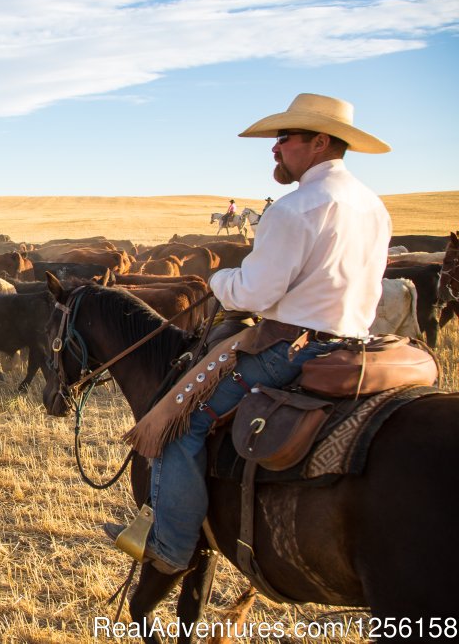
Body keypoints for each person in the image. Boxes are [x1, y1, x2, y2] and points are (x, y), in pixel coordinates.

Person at [105, 93, 393, 574]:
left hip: (290, 349)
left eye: (284, 138)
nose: (275, 149)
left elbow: (256, 294)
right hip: (353, 347)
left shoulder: (296, 206)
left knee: (178, 425)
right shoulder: (372, 205)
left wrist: (220, 282)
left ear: (319, 142)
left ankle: (171, 546)